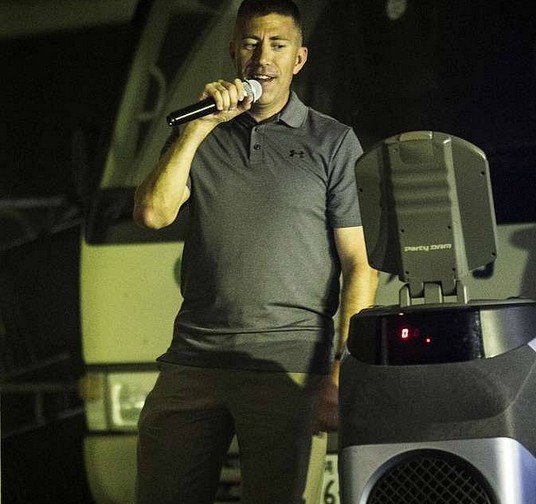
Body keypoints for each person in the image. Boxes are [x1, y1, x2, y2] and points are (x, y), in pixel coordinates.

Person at [133, 0, 378, 503]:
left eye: (277, 45)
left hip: (288, 365)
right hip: (193, 360)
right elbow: (153, 213)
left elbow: (360, 266)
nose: (262, 57)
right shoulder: (199, 133)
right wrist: (199, 127)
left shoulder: (333, 142)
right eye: (250, 43)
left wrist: (342, 371)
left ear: (299, 59)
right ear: (233, 53)